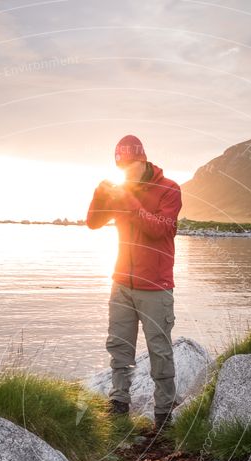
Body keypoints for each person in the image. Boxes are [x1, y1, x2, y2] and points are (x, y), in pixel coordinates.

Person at [86, 134, 182, 431]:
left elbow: (159, 231)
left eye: (130, 166)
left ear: (142, 160)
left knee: (160, 351)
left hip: (155, 286)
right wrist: (100, 196)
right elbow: (93, 222)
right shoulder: (121, 190)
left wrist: (128, 200)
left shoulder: (169, 190)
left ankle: (164, 414)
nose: (126, 172)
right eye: (121, 168)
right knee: (119, 347)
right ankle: (118, 407)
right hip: (121, 284)